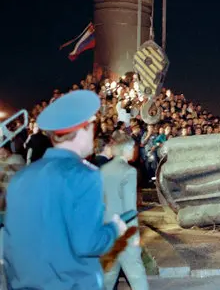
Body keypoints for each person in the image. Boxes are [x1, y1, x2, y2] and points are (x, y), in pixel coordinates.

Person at [3, 90, 128, 290]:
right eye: (92, 126)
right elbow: (88, 243)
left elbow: (11, 245)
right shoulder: (85, 176)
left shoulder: (21, 178)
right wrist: (114, 229)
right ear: (83, 129)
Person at [101, 131, 148, 290]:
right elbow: (130, 208)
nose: (134, 152)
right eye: (132, 148)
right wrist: (134, 235)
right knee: (137, 276)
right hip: (123, 232)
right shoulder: (129, 171)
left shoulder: (103, 170)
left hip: (106, 230)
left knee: (107, 278)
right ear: (126, 150)